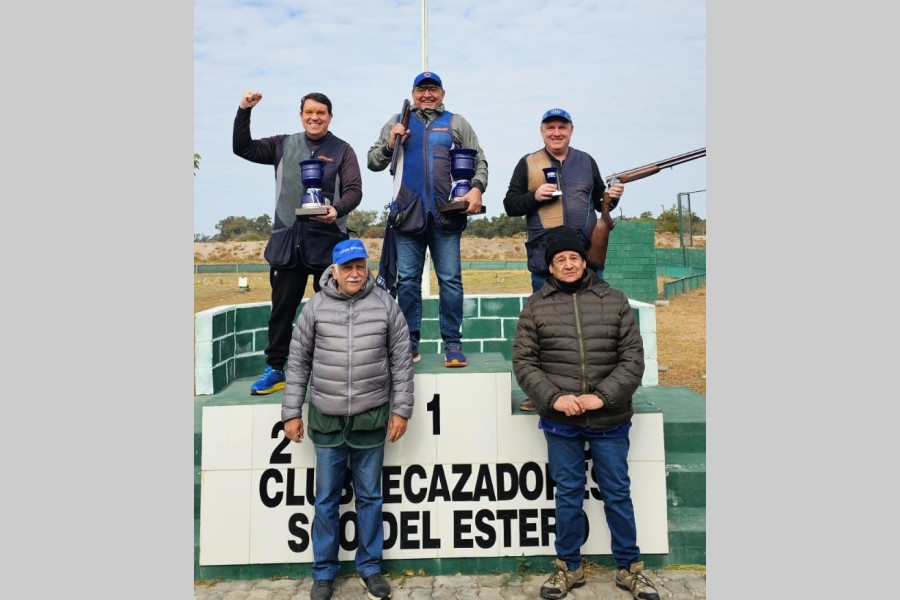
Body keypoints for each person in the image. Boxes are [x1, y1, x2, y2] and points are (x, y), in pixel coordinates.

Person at [511, 226, 659, 600]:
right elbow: (525, 363)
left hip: (609, 420)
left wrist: (602, 397)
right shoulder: (536, 305)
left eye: (573, 257)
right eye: (559, 259)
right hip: (561, 422)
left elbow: (632, 360)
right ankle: (568, 569)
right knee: (568, 495)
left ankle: (629, 569)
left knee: (617, 493)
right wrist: (555, 398)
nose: (567, 264)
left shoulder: (614, 300)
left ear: (583, 260)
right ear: (550, 267)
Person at [281, 238, 414, 600]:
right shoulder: (315, 307)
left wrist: (401, 409)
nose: (354, 273)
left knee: (370, 497)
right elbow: (298, 363)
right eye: (347, 267)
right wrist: (291, 411)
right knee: (325, 499)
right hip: (326, 417)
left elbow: (401, 362)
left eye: (359, 266)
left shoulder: (386, 304)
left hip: (372, 416)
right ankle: (324, 572)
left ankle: (370, 568)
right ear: (334, 271)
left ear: (366, 267)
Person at [233, 91, 363, 395]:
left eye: (321, 112)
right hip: (287, 244)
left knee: (333, 312)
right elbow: (243, 148)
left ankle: (334, 368)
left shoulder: (343, 150)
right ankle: (275, 368)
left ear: (330, 117)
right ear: (301, 115)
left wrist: (337, 209)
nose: (314, 117)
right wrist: (244, 111)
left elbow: (355, 190)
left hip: (328, 245)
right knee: (281, 311)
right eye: (309, 112)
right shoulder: (282, 144)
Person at [503, 107, 624, 411]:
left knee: (599, 326)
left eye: (562, 127)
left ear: (571, 130)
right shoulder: (528, 163)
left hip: (586, 256)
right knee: (544, 329)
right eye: (550, 128)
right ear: (542, 131)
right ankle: (542, 393)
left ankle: (601, 393)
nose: (556, 133)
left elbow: (600, 200)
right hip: (545, 260)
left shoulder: (586, 161)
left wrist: (614, 195)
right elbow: (510, 204)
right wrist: (534, 196)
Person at [367, 71, 488, 368]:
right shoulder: (399, 120)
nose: (427, 95)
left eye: (433, 89)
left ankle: (452, 343)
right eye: (422, 90)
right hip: (407, 216)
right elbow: (373, 161)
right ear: (413, 93)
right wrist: (390, 143)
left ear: (443, 93)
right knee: (407, 281)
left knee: (450, 281)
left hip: (447, 216)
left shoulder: (456, 122)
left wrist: (476, 188)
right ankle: (409, 342)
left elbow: (480, 160)